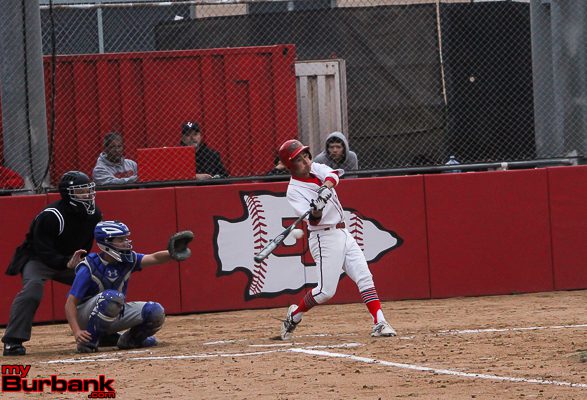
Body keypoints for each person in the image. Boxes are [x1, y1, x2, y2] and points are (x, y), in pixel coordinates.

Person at [277, 139, 396, 340]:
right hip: (323, 238)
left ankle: (379, 322)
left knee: (364, 276)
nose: (305, 161)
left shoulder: (316, 168)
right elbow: (314, 220)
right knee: (325, 292)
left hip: (343, 231)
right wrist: (317, 208)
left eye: (305, 155)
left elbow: (333, 175)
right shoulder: (294, 191)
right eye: (298, 160)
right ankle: (294, 316)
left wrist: (324, 189)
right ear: (290, 166)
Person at [2, 171, 102, 356]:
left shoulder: (94, 214)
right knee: (32, 289)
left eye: (88, 190)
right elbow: (42, 250)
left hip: (69, 260)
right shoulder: (51, 215)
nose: (87, 194)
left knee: (98, 283)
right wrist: (66, 262)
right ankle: (13, 341)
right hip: (38, 260)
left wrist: (79, 262)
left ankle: (102, 331)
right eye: (81, 191)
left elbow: (86, 244)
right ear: (68, 194)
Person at [65, 220, 178, 353]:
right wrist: (77, 331)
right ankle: (88, 342)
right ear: (106, 242)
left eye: (126, 238)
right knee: (112, 297)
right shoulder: (89, 266)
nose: (126, 242)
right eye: (120, 239)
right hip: (85, 317)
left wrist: (172, 253)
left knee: (155, 312)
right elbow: (70, 303)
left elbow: (154, 258)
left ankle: (130, 340)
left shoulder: (127, 260)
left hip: (113, 308)